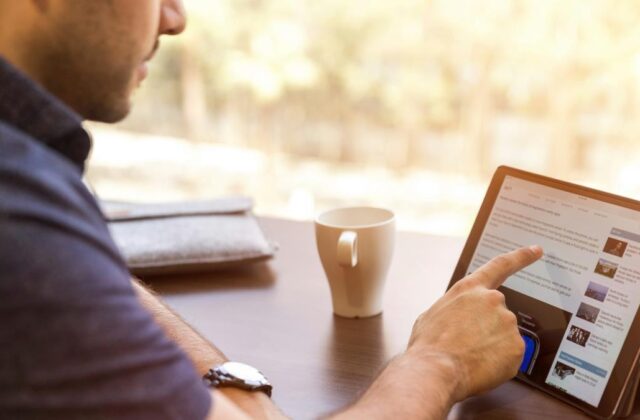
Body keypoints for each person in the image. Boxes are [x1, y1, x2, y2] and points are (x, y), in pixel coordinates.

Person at [0, 1, 543, 418]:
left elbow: (83, 282)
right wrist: (438, 363)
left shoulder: (33, 183)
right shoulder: (19, 212)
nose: (174, 18)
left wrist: (235, 390)